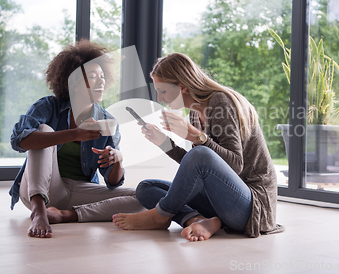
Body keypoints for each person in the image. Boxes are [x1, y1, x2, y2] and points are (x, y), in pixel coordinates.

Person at [112, 53, 284, 241]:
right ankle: (200, 220)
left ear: (182, 87)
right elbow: (198, 167)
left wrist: (195, 135)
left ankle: (161, 215)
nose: (160, 99)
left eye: (163, 91)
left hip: (252, 206)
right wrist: (164, 143)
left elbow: (234, 165)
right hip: (221, 200)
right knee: (146, 188)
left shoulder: (220, 102)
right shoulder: (194, 113)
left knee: (200, 154)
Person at [9, 40, 145, 238]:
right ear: (74, 82)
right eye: (93, 77)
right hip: (39, 189)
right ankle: (39, 211)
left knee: (142, 196)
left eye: (102, 76)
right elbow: (20, 140)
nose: (101, 82)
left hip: (79, 192)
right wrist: (74, 134)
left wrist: (117, 159)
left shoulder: (107, 120)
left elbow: (113, 182)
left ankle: (66, 215)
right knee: (45, 132)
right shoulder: (48, 106)